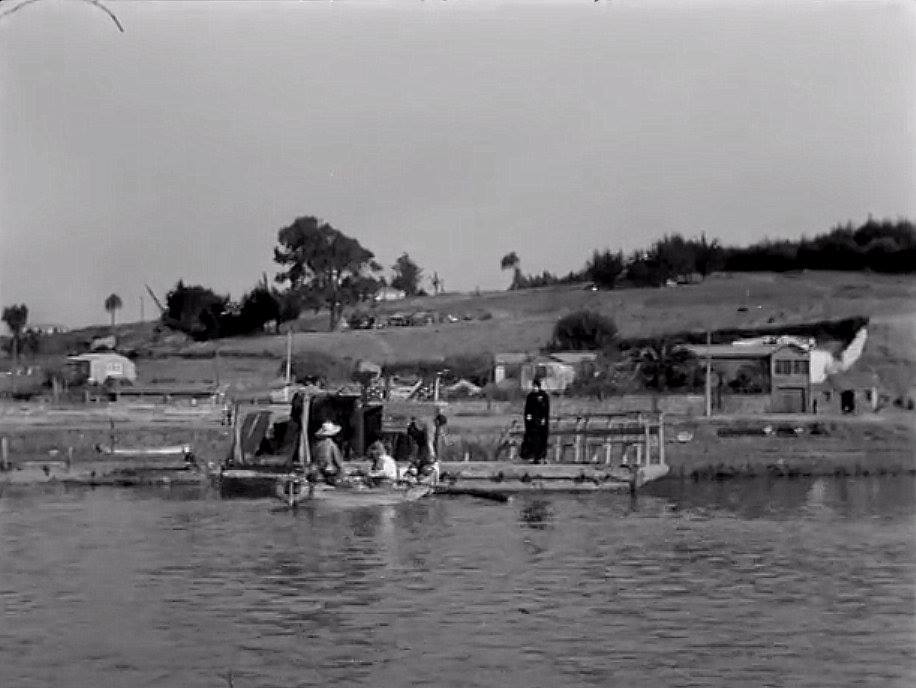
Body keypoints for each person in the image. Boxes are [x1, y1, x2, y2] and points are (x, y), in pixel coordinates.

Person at [520, 378, 550, 463]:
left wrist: (544, 418)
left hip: (541, 422)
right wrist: (528, 416)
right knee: (532, 440)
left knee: (542, 440)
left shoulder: (544, 396)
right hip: (532, 423)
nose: (534, 388)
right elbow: (527, 409)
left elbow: (546, 409)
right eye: (533, 386)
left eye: (536, 386)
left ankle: (542, 456)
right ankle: (533, 456)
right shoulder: (530, 396)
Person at [311, 421, 344, 485]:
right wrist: (342, 475)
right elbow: (338, 463)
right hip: (329, 474)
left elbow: (315, 459)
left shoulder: (317, 445)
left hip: (318, 473)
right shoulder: (332, 445)